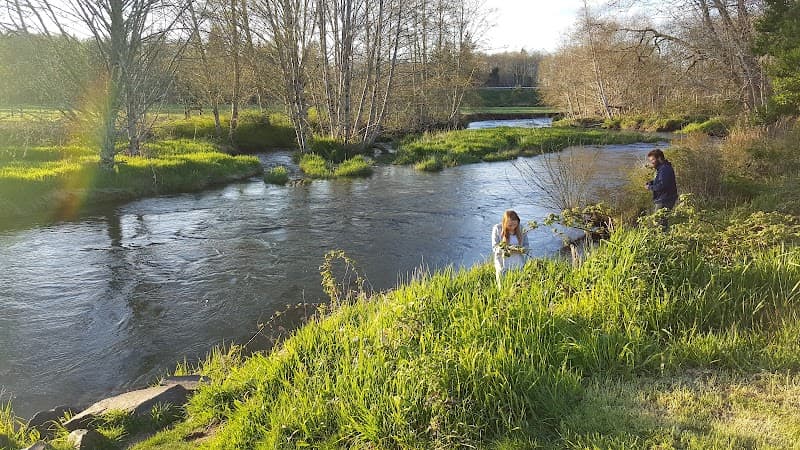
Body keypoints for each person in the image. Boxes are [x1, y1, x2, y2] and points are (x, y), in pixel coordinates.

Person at [492, 210, 530, 288]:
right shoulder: (497, 229)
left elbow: (526, 245)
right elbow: (495, 247)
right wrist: (507, 249)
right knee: (503, 289)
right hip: (503, 267)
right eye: (510, 225)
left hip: (519, 266)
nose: (512, 227)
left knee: (519, 289)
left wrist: (522, 249)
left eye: (515, 225)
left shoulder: (521, 228)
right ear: (504, 223)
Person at [645, 149, 678, 231]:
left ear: (659, 158)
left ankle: (662, 237)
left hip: (665, 199)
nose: (651, 162)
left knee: (659, 222)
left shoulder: (664, 169)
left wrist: (650, 187)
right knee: (661, 221)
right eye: (650, 160)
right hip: (665, 198)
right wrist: (652, 182)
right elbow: (662, 181)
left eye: (653, 160)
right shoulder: (662, 168)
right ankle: (663, 236)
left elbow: (662, 185)